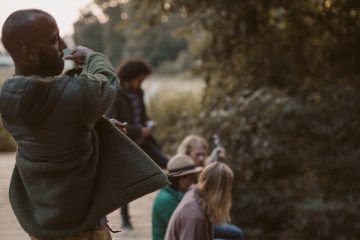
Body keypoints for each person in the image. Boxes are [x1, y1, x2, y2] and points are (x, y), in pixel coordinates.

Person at [0, 9, 168, 240]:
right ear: (28, 53)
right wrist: (92, 57)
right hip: (85, 227)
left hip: (44, 227)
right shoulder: (77, 93)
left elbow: (55, 129)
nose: (62, 45)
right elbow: (107, 81)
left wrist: (100, 127)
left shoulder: (8, 100)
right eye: (53, 39)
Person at [105, 59, 169, 229]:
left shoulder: (139, 91)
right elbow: (113, 121)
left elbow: (143, 114)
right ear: (130, 77)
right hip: (127, 142)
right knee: (126, 179)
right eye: (139, 79)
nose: (141, 83)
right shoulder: (116, 93)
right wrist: (138, 130)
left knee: (168, 164)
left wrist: (148, 124)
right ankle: (125, 219)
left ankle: (176, 203)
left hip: (144, 140)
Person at [177, 134, 244, 240]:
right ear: (186, 154)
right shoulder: (182, 175)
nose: (201, 158)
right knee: (235, 234)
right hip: (190, 220)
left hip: (199, 218)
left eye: (204, 154)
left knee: (234, 233)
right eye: (197, 154)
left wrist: (214, 157)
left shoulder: (200, 169)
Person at [165, 162, 234, 240]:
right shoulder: (194, 216)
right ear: (220, 190)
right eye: (229, 186)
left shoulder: (195, 195)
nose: (230, 189)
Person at [152, 154, 203, 240]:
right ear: (180, 179)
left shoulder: (174, 193)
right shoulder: (166, 200)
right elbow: (186, 226)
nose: (191, 184)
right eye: (190, 180)